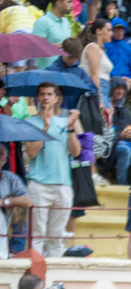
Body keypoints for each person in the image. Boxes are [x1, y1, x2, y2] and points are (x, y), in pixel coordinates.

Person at [24, 82, 81, 259]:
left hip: (63, 184)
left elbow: (76, 151)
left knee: (57, 238)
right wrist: (45, 129)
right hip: (38, 185)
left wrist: (71, 128)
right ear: (37, 98)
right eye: (42, 94)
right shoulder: (29, 122)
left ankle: (53, 283)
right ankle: (35, 279)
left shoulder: (65, 122)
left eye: (49, 94)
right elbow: (31, 153)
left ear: (57, 98)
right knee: (36, 236)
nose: (45, 98)